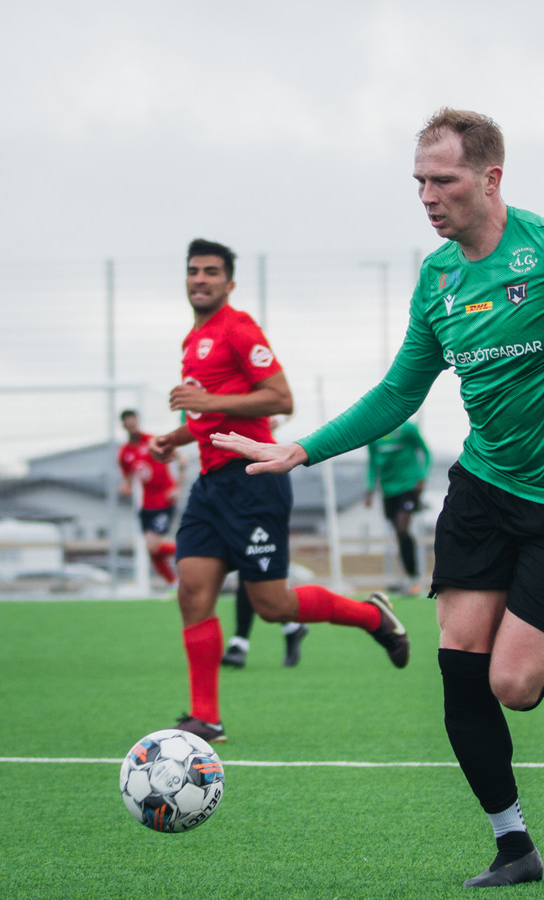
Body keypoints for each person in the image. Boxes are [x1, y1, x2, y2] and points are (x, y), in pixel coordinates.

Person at [211, 108, 544, 888]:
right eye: (419, 182)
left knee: (515, 686)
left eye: (444, 180)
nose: (428, 197)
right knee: (461, 667)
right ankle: (514, 845)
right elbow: (400, 390)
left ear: (491, 178)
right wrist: (301, 450)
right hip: (482, 490)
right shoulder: (438, 280)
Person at [149, 238, 410, 746]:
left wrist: (206, 400)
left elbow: (279, 398)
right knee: (192, 591)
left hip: (253, 481)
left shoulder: (239, 328)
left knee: (272, 606)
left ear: (229, 283)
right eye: (194, 271)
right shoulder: (192, 339)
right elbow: (210, 415)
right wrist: (175, 438)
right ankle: (206, 718)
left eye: (211, 272)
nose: (200, 279)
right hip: (210, 485)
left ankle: (372, 616)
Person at [220, 417, 309, 670]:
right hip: (224, 481)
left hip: (261, 477)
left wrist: (267, 418)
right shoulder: (198, 404)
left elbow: (284, 406)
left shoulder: (248, 397)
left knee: (252, 564)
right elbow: (196, 429)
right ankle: (291, 626)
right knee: (248, 565)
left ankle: (239, 643)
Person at [117, 408, 184, 586]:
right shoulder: (124, 453)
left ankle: (194, 551)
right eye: (128, 424)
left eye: (133, 422)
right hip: (146, 504)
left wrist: (178, 487)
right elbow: (128, 481)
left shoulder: (152, 441)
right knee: (151, 550)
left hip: (164, 500)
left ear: (137, 421)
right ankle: (174, 583)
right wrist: (125, 488)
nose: (132, 426)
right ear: (124, 426)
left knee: (153, 546)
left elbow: (182, 459)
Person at [365, 420, 431, 595]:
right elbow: (372, 463)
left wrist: (422, 477)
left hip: (409, 486)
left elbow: (425, 451)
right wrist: (370, 488)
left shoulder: (407, 429)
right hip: (388, 489)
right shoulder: (373, 434)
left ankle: (414, 578)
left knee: (402, 527)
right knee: (399, 534)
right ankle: (408, 577)